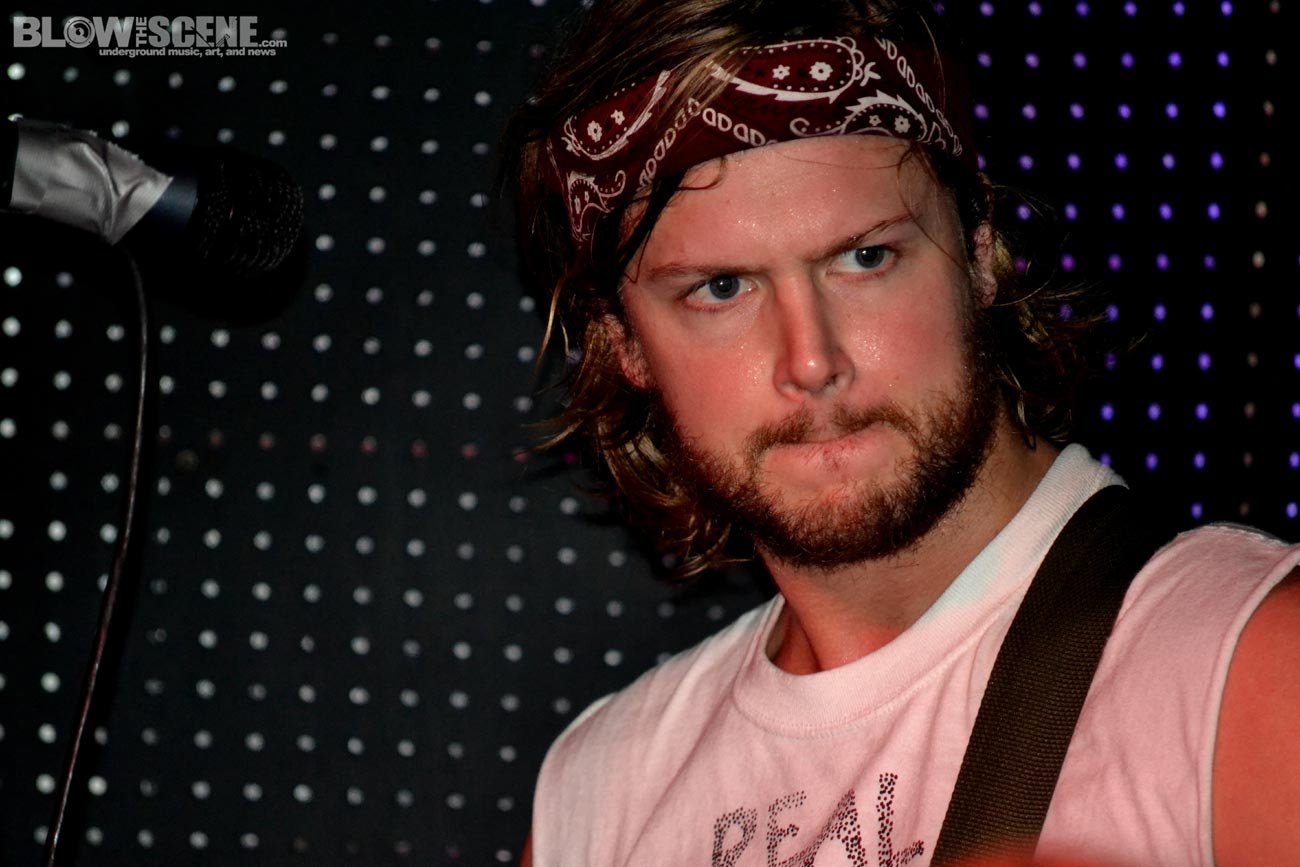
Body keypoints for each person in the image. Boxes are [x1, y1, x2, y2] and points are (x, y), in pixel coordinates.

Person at [501, 1, 1300, 864]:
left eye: (865, 257)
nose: (811, 360)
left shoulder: (1247, 668)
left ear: (980, 250)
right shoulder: (600, 789)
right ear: (622, 341)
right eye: (721, 288)